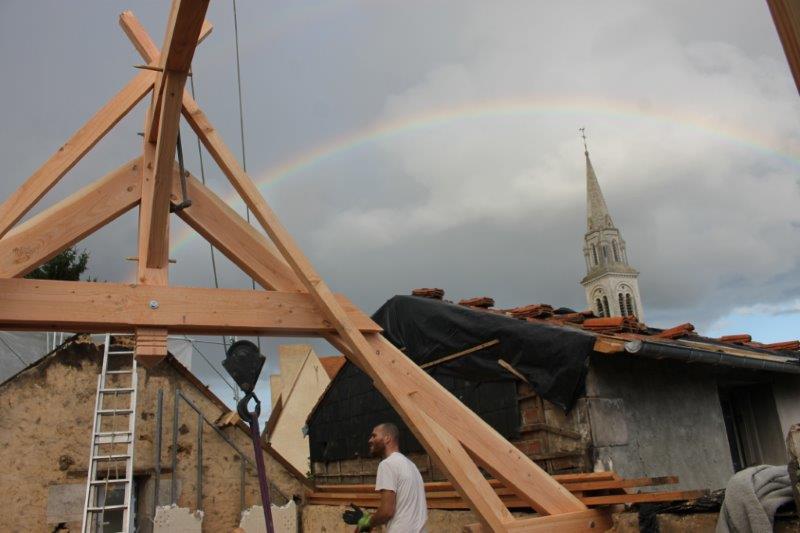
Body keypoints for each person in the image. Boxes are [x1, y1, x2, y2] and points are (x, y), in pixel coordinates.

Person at [343, 423, 428, 532]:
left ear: (387, 438)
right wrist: (365, 517)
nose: (370, 440)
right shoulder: (411, 466)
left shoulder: (387, 464)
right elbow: (402, 509)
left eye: (374, 436)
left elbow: (387, 512)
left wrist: (366, 523)